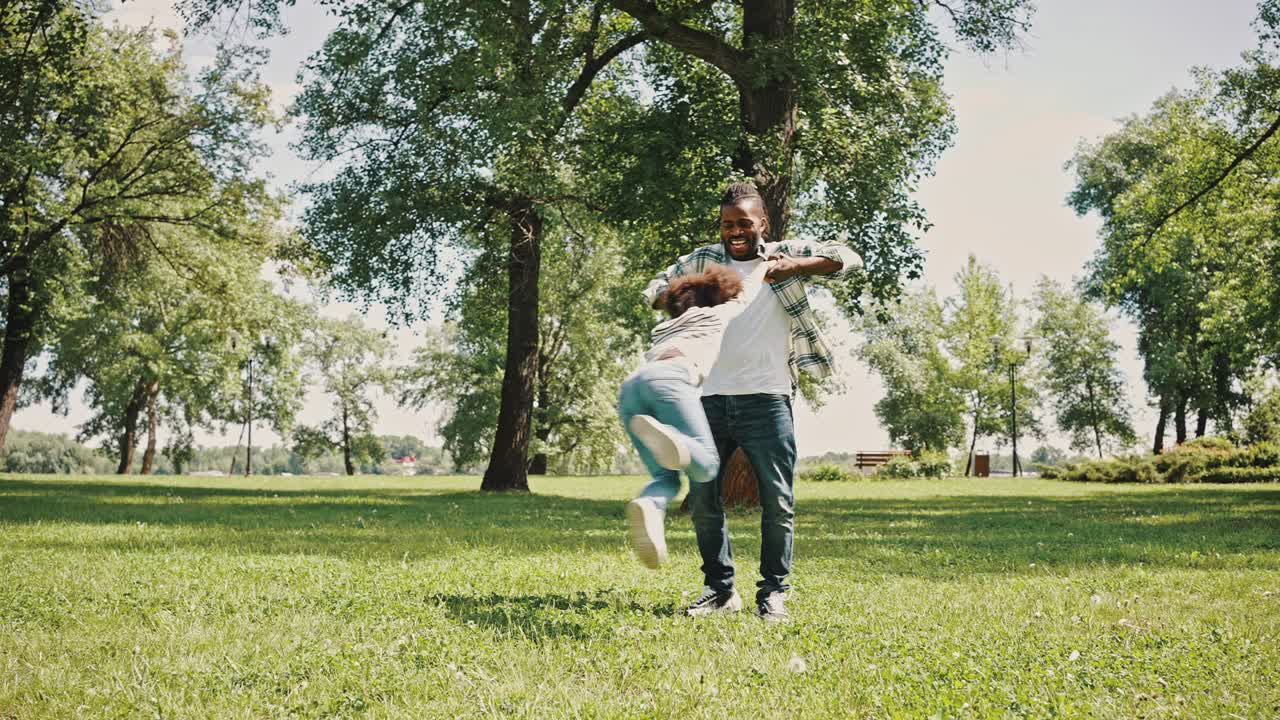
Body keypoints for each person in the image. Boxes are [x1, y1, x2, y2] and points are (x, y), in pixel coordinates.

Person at [642, 182, 861, 622]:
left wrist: (795, 266)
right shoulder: (704, 261)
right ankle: (720, 591)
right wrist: (690, 295)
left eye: (744, 223)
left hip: (768, 398)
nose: (735, 232)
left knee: (778, 501)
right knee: (704, 500)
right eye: (728, 224)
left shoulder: (784, 255)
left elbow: (848, 259)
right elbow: (654, 292)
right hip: (707, 399)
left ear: (763, 222)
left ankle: (774, 592)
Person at [620, 261, 773, 569]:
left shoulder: (664, 328)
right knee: (707, 465)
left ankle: (650, 504)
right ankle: (678, 442)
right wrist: (764, 265)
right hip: (671, 378)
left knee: (665, 477)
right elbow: (747, 292)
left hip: (633, 387)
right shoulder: (716, 314)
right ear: (718, 297)